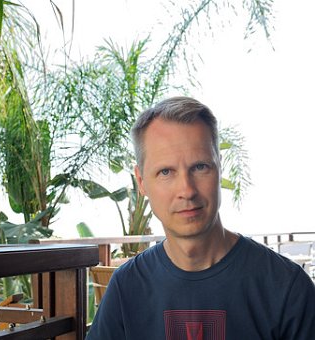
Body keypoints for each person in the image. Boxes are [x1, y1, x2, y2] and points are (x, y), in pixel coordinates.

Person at [86, 96, 315, 339]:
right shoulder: (127, 286)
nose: (187, 190)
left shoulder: (286, 287)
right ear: (141, 182)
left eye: (200, 167)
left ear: (219, 167)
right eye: (166, 172)